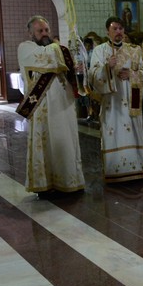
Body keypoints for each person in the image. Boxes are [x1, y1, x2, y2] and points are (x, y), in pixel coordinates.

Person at [17, 16, 85, 194]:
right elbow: (49, 58)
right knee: (47, 145)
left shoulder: (57, 50)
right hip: (42, 108)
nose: (45, 33)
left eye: (46, 30)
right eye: (40, 31)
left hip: (63, 105)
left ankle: (70, 181)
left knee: (66, 141)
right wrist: (63, 48)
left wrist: (76, 68)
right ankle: (46, 185)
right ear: (30, 33)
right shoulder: (25, 48)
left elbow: (67, 69)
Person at [87, 16, 143, 183]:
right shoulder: (100, 51)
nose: (118, 32)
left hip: (131, 100)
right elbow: (92, 75)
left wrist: (132, 74)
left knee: (133, 132)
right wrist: (107, 67)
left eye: (121, 29)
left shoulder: (134, 50)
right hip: (112, 102)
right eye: (114, 29)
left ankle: (137, 168)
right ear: (108, 31)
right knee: (113, 132)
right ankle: (115, 170)